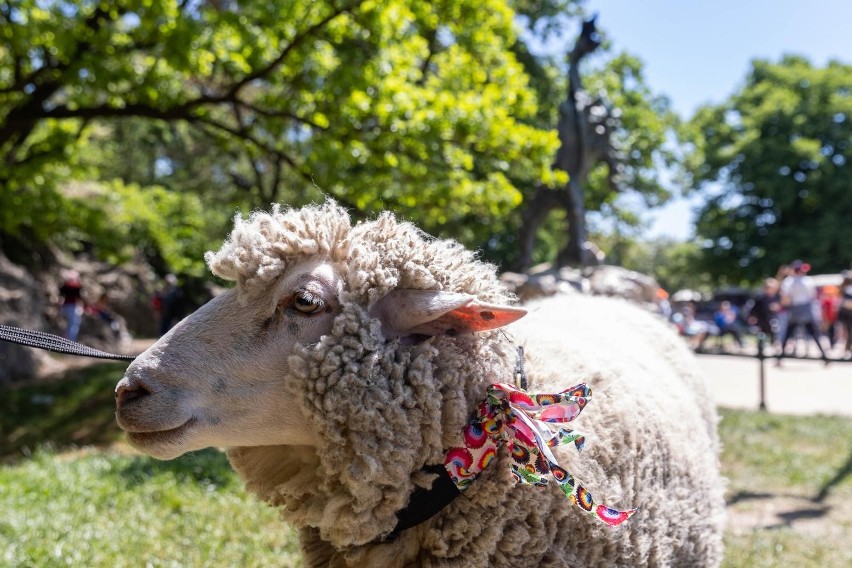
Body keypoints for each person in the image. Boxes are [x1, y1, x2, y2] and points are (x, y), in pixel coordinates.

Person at [776, 260, 828, 363]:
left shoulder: (789, 281)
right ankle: (825, 357)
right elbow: (812, 296)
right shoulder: (808, 280)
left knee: (788, 334)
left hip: (795, 308)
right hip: (806, 309)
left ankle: (780, 358)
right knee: (814, 334)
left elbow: (785, 298)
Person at [745, 278, 782, 344]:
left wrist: (777, 307)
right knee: (760, 334)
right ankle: (761, 347)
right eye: (767, 288)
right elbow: (754, 309)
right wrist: (752, 316)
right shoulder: (760, 298)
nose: (769, 290)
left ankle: (774, 345)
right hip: (762, 319)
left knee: (775, 331)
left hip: (774, 320)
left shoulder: (778, 297)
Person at [59, 271, 85, 342]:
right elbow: (79, 299)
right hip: (72, 308)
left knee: (68, 326)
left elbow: (61, 296)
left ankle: (64, 341)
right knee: (73, 326)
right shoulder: (76, 288)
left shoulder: (64, 287)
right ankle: (70, 342)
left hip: (65, 307)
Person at [838, 270, 852, 359]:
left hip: (847, 313)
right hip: (847, 313)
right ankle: (847, 350)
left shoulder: (845, 289)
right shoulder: (846, 289)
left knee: (849, 333)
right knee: (849, 333)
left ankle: (847, 350)